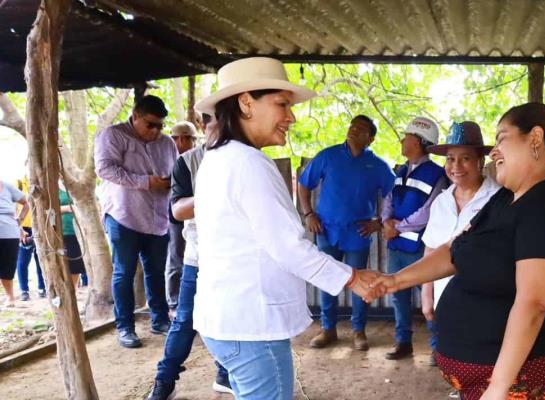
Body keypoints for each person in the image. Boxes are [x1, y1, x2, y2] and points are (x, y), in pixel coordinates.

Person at [372, 102, 545, 400]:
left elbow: (534, 303)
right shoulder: (506, 201)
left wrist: (499, 387)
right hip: (486, 378)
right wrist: (395, 281)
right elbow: (453, 250)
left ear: (535, 138)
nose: (495, 151)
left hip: (520, 379)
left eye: (501, 138)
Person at [192, 57, 379, 400]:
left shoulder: (218, 158)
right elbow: (289, 248)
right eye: (282, 104)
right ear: (246, 102)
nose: (291, 117)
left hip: (228, 319)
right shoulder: (249, 164)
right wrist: (353, 278)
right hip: (251, 326)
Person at [147, 114, 232, 400]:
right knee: (185, 320)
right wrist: (214, 195)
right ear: (205, 125)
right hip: (200, 257)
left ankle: (224, 371)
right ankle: (164, 381)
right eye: (215, 123)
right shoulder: (188, 162)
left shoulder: (248, 158)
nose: (222, 130)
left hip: (236, 258)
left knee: (229, 317)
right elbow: (178, 210)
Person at [298, 115, 395, 351]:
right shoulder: (328, 156)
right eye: (352, 126)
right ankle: (327, 329)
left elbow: (394, 194)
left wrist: (379, 223)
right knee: (326, 279)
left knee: (361, 282)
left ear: (370, 139)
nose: (353, 130)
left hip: (358, 234)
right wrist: (308, 214)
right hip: (326, 230)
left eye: (361, 129)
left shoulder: (378, 165)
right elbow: (304, 183)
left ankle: (358, 331)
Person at [95, 94, 177, 348]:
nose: (156, 130)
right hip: (123, 216)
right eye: (150, 124)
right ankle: (125, 327)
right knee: (124, 272)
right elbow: (104, 169)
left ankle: (160, 320)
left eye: (160, 125)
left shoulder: (167, 143)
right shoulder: (113, 135)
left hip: (158, 217)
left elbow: (176, 172)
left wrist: (170, 185)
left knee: (156, 272)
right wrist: (146, 182)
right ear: (136, 116)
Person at [420, 121, 500, 367]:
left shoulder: (498, 200)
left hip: (488, 303)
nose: (456, 166)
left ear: (479, 161)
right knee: (457, 363)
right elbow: (431, 250)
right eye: (451, 159)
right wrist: (427, 294)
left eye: (465, 158)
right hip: (448, 301)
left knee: (485, 364)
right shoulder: (441, 203)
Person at [381, 116, 448, 360]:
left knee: (428, 296)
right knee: (398, 295)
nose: (402, 140)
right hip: (396, 245)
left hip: (421, 248)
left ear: (419, 142)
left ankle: (438, 347)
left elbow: (430, 210)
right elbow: (389, 198)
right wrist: (386, 221)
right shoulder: (400, 170)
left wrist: (399, 227)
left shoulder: (438, 174)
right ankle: (403, 342)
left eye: (406, 136)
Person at [165, 121, 199, 310]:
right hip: (175, 217)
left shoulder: (198, 158)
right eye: (180, 138)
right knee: (177, 258)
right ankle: (174, 302)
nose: (184, 142)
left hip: (196, 217)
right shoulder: (169, 157)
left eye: (188, 139)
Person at [15, 176, 45, 301]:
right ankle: (24, 290)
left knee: (41, 260)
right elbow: (13, 206)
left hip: (40, 226)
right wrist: (19, 228)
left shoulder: (41, 182)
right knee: (22, 261)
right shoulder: (19, 182)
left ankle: (42, 288)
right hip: (25, 228)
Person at [1, 179, 29, 307]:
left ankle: (10, 297)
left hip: (9, 233)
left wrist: (19, 221)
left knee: (8, 266)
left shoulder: (7, 186)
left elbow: (26, 203)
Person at [57, 183, 87, 289]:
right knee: (62, 264)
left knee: (76, 264)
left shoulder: (77, 184)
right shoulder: (53, 188)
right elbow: (46, 209)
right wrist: (68, 208)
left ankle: (73, 290)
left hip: (80, 231)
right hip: (62, 232)